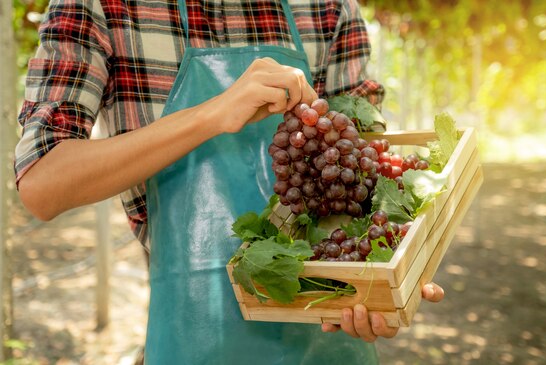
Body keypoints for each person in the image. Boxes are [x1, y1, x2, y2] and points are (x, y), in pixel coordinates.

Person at [15, 0, 445, 363]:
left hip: (330, 326)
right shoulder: (105, 7)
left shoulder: (328, 7)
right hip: (195, 335)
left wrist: (395, 270)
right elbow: (43, 184)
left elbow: (365, 174)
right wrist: (211, 115)